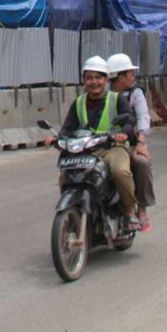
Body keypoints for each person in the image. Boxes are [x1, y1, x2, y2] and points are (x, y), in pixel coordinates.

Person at [48, 56, 140, 231]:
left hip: (112, 148)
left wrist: (122, 134)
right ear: (84, 80)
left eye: (98, 77)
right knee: (65, 176)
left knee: (120, 172)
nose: (94, 82)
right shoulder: (79, 102)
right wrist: (58, 139)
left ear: (105, 79)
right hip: (86, 149)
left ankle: (129, 211)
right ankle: (75, 208)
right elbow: (68, 127)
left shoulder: (116, 99)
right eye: (89, 78)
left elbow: (129, 121)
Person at [107, 53, 155, 232]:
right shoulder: (102, 93)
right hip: (103, 144)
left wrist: (141, 141)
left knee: (141, 163)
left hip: (130, 143)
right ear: (120, 77)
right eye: (130, 74)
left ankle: (141, 208)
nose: (133, 77)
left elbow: (143, 116)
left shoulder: (135, 93)